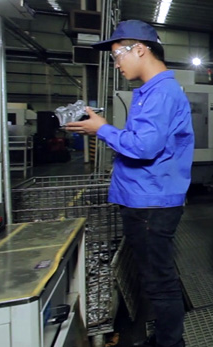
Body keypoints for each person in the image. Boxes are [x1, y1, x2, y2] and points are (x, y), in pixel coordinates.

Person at [66, 19, 194, 347]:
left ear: (139, 49)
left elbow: (144, 147)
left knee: (160, 283)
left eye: (117, 55)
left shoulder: (161, 93)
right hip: (145, 198)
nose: (116, 63)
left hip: (151, 204)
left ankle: (170, 344)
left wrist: (102, 129)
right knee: (154, 279)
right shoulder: (150, 92)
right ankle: (166, 340)